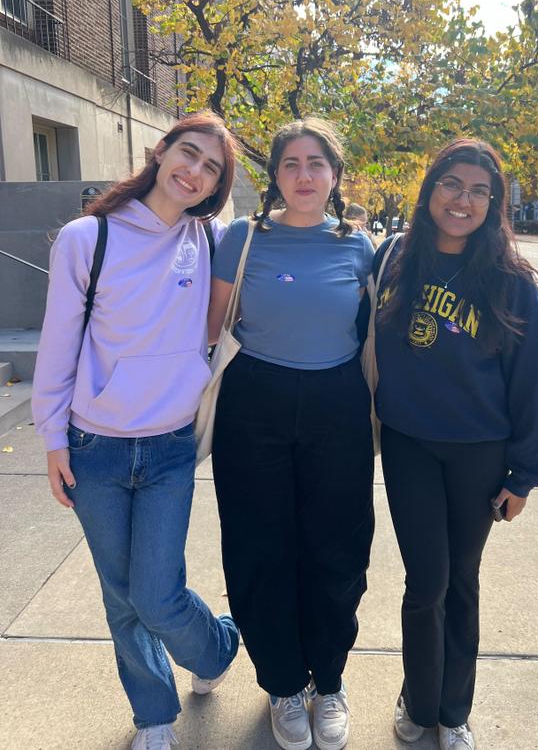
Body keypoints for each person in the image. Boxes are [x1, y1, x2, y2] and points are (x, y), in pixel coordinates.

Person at [32, 112, 241, 750]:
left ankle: (217, 645)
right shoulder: (84, 238)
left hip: (171, 445)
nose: (194, 171)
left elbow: (218, 324)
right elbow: (58, 345)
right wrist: (52, 439)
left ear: (216, 186)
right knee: (120, 596)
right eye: (188, 153)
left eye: (211, 167)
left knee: (155, 592)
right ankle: (153, 714)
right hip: (95, 447)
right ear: (159, 150)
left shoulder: (209, 241)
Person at [373, 138, 538, 750]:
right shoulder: (394, 259)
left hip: (480, 452)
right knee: (427, 583)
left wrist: (523, 474)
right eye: (452, 184)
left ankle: (454, 711)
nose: (463, 199)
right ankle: (418, 701)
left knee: (463, 581)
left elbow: (529, 382)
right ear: (429, 192)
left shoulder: (511, 283)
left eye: (479, 190)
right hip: (408, 446)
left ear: (493, 203)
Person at [208, 118, 375, 750]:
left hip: (337, 405)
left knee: (338, 547)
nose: (303, 176)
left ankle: (328, 680)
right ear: (275, 175)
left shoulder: (359, 246)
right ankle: (282, 682)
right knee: (259, 547)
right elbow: (210, 328)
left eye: (316, 164)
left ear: (334, 176)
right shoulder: (241, 239)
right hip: (256, 403)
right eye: (290, 164)